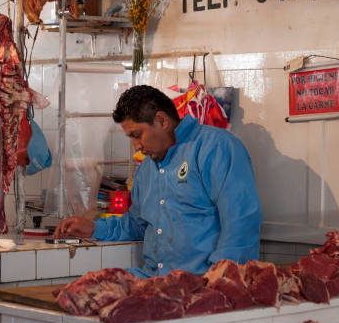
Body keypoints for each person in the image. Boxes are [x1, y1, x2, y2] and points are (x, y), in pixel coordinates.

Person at [54, 85, 263, 278]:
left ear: (162, 121)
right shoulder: (146, 170)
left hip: (203, 285)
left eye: (137, 135)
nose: (136, 146)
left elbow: (241, 221)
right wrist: (93, 228)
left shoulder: (215, 148)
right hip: (156, 284)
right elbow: (137, 224)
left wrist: (218, 279)